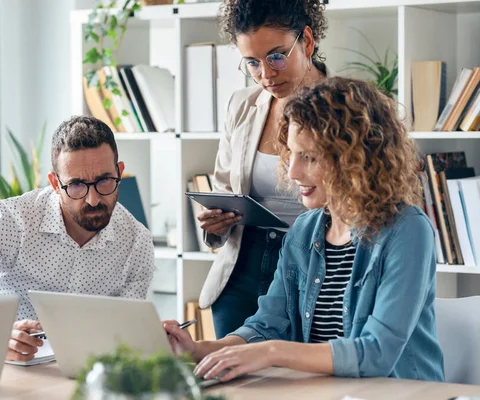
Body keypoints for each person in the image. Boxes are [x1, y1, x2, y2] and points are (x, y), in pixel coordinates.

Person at [165, 77, 445, 381]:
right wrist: (199, 350)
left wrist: (272, 352)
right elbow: (265, 325)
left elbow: (376, 353)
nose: (292, 171)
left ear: (352, 159)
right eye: (292, 153)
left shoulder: (408, 231)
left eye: (309, 157)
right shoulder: (305, 229)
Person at [0, 115, 155, 362]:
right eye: (76, 185)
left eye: (104, 181)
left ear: (119, 172)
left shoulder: (136, 242)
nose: (93, 199)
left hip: (85, 374)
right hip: (6, 366)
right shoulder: (8, 220)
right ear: (55, 183)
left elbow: (125, 332)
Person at [198, 0, 334, 338]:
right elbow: (225, 188)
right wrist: (215, 223)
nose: (266, 74)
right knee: (234, 385)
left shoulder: (346, 107)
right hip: (241, 270)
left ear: (307, 40)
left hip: (316, 266)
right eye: (252, 63)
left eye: (276, 56)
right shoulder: (241, 105)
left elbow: (361, 203)